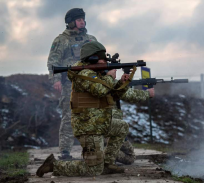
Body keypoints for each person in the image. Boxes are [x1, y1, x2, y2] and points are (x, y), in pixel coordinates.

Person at [37, 41, 154, 177]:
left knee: (122, 127)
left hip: (100, 122)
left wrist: (122, 83)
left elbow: (115, 93)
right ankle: (53, 165)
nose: (105, 61)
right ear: (92, 58)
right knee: (93, 170)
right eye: (103, 58)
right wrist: (110, 77)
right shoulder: (84, 73)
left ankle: (108, 163)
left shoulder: (97, 73)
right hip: (88, 127)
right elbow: (100, 90)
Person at [47, 8, 97, 159]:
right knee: (69, 117)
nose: (82, 22)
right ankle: (65, 151)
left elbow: (101, 61)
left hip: (90, 85)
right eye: (79, 19)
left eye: (83, 19)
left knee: (91, 116)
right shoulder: (61, 40)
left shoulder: (91, 40)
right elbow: (53, 62)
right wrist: (55, 80)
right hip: (70, 85)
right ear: (71, 22)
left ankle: (92, 149)